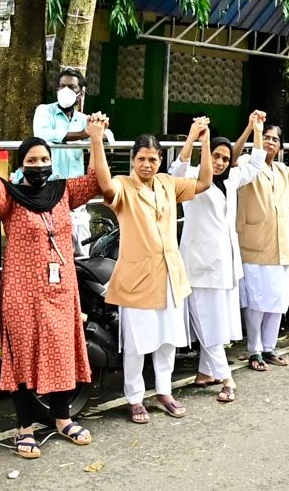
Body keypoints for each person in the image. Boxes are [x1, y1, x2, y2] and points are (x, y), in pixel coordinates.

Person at [0, 115, 100, 460]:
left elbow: (96, 180)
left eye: (44, 159)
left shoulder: (63, 193)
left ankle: (62, 419)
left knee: (61, 351)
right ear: (21, 166)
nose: (40, 165)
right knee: (22, 357)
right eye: (32, 160)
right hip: (21, 293)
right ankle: (24, 427)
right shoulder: (10, 199)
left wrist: (96, 138)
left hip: (60, 292)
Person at [88, 116, 212, 425]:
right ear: (133, 161)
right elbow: (104, 185)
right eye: (142, 159)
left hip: (170, 276)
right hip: (136, 280)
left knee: (168, 340)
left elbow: (205, 181)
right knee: (136, 344)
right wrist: (96, 139)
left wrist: (204, 142)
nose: (147, 164)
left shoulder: (168, 184)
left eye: (153, 159)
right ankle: (134, 397)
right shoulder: (124, 186)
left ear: (160, 161)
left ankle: (165, 392)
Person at [176, 112, 268, 403]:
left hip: (226, 265)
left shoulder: (231, 180)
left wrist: (255, 128)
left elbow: (255, 163)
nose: (219, 162)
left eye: (225, 159)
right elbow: (176, 171)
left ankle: (206, 372)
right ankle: (226, 377)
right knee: (205, 320)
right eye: (215, 156)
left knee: (215, 321)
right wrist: (193, 138)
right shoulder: (191, 179)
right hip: (199, 263)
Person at [235, 121, 289, 371]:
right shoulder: (247, 163)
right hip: (255, 245)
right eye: (266, 137)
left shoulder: (281, 170)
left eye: (274, 139)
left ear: (281, 146)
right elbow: (233, 157)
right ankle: (254, 350)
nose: (269, 142)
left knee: (277, 301)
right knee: (256, 303)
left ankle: (269, 348)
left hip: (281, 248)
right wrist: (251, 130)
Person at [31, 68, 109, 180]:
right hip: (49, 182)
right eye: (62, 86)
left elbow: (108, 137)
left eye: (72, 87)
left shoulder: (83, 119)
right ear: (57, 89)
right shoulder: (44, 110)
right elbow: (43, 134)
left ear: (81, 93)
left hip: (75, 183)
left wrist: (99, 128)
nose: (65, 90)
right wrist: (83, 134)